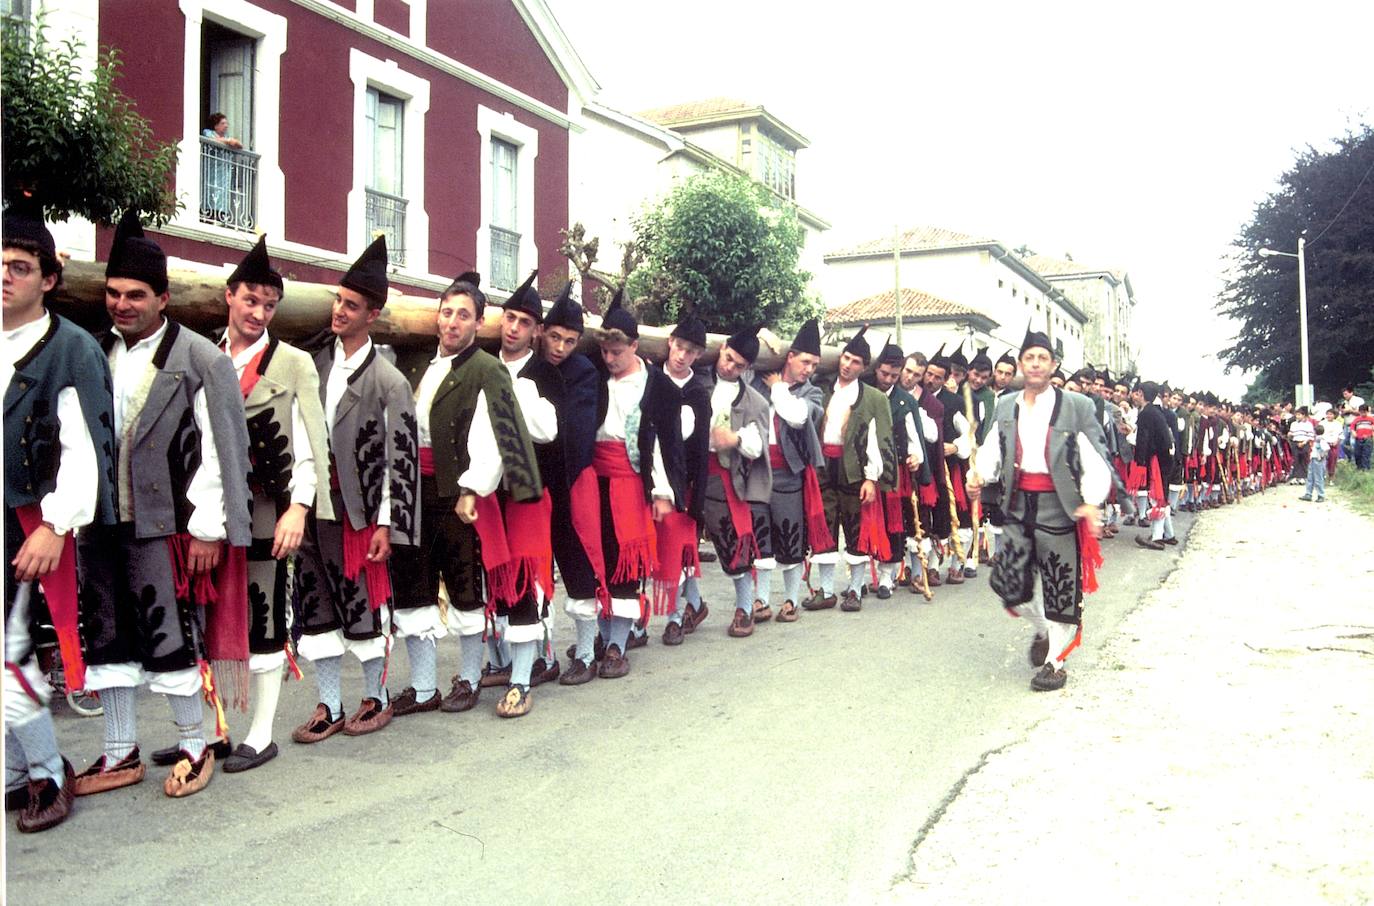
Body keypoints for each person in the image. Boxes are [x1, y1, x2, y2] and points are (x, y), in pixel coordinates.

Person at [75, 211, 252, 798]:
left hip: (168, 526)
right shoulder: (95, 351)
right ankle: (118, 751)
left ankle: (196, 745)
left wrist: (208, 529)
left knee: (169, 638)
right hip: (100, 522)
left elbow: (224, 453)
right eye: (113, 293)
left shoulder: (204, 359)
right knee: (107, 636)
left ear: (163, 298)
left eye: (135, 295)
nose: (122, 304)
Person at [4, 204, 117, 830]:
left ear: (48, 279)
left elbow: (88, 449)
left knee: (14, 652)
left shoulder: (70, 349)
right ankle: (17, 773)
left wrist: (55, 524)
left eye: (19, 267)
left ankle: (46, 772)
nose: (5, 278)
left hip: (32, 522)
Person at [209, 236, 332, 773]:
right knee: (210, 612)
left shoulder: (294, 362)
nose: (259, 312)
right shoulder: (206, 356)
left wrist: (298, 509)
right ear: (229, 296)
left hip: (267, 507)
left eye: (269, 304)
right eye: (250, 300)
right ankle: (213, 729)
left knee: (264, 614)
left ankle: (259, 734)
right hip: (208, 508)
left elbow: (310, 442)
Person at [290, 236, 418, 742]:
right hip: (313, 505)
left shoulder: (389, 381)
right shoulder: (314, 364)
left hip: (359, 512)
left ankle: (376, 695)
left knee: (362, 602)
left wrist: (387, 521)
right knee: (316, 603)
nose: (339, 311)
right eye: (337, 301)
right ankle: (328, 703)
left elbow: (400, 459)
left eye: (351, 305)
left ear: (373, 314)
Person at [968, 326, 1111, 692]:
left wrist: (1092, 502)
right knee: (1008, 582)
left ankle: (1055, 663)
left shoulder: (1075, 406)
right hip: (1017, 504)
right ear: (1020, 364)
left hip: (1060, 506)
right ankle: (1042, 629)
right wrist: (980, 476)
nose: (1035, 364)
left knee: (1060, 587)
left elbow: (1094, 457)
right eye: (1029, 357)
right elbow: (993, 449)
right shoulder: (1005, 405)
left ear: (1053, 365)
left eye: (1042, 358)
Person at [590, 291, 684, 677]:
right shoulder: (594, 377)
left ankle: (617, 643)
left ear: (634, 346)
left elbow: (664, 443)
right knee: (597, 556)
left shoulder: (658, 387)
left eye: (618, 352)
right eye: (605, 353)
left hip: (632, 480)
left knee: (626, 561)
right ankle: (602, 630)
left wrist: (662, 491)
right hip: (594, 478)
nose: (610, 360)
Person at [537, 288, 612, 683]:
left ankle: (585, 653)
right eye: (555, 337)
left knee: (577, 564)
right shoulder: (531, 367)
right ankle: (541, 654)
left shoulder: (584, 371)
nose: (561, 347)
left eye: (569, 340)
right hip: (535, 481)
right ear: (542, 332)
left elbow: (581, 430)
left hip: (571, 478)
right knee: (535, 570)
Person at [803, 327, 894, 612]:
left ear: (865, 367)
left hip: (854, 468)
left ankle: (855, 589)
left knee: (856, 528)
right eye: (845, 357)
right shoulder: (820, 388)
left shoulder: (875, 398)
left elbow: (880, 441)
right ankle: (827, 590)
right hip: (822, 466)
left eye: (855, 361)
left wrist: (871, 478)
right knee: (824, 525)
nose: (847, 364)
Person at [693, 325, 772, 637]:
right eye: (727, 358)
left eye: (739, 365)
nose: (729, 367)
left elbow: (757, 445)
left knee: (733, 541)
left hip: (723, 475)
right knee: (680, 543)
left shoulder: (755, 401)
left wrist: (735, 438)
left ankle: (744, 606)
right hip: (686, 472)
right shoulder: (695, 379)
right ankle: (690, 604)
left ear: (748, 368)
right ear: (721, 348)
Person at [751, 318, 827, 622]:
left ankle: (792, 599)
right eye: (805, 361)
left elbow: (796, 417)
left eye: (815, 364)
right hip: (755, 470)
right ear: (790, 356)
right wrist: (763, 334)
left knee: (790, 535)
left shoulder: (813, 393)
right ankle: (760, 600)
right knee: (760, 537)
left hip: (788, 473)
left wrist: (779, 388)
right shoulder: (758, 377)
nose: (809, 369)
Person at [658, 314, 712, 645]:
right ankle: (695, 603)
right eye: (679, 347)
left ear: (698, 356)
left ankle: (675, 616)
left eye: (691, 351)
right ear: (669, 343)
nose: (682, 355)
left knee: (675, 551)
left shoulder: (698, 392)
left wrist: (698, 500)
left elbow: (702, 449)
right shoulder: (651, 379)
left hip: (683, 485)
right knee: (656, 550)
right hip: (648, 479)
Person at [868, 342, 932, 598]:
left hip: (895, 472)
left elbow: (913, 435)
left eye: (894, 376)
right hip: (866, 469)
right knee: (869, 521)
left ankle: (887, 576)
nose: (890, 379)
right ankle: (862, 578)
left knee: (894, 523)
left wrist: (916, 457)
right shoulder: (864, 391)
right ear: (877, 369)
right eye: (885, 373)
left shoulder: (905, 401)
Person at [1131, 381, 1177, 550]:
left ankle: (1157, 538)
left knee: (1156, 497)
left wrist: (1140, 462)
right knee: (1161, 496)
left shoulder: (1146, 414)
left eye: (1136, 393)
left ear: (1141, 393)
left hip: (1155, 460)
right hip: (1164, 459)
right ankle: (1169, 535)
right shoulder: (1157, 413)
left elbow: (1143, 441)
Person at [1352, 404, 1374, 471]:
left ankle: (1366, 468)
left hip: (1368, 439)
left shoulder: (1371, 419)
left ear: (1367, 411)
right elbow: (1352, 427)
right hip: (1358, 438)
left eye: (1364, 412)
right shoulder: (1357, 419)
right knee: (1357, 453)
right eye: (1361, 412)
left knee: (1366, 454)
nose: (1363, 414)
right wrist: (1353, 432)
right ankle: (1359, 467)